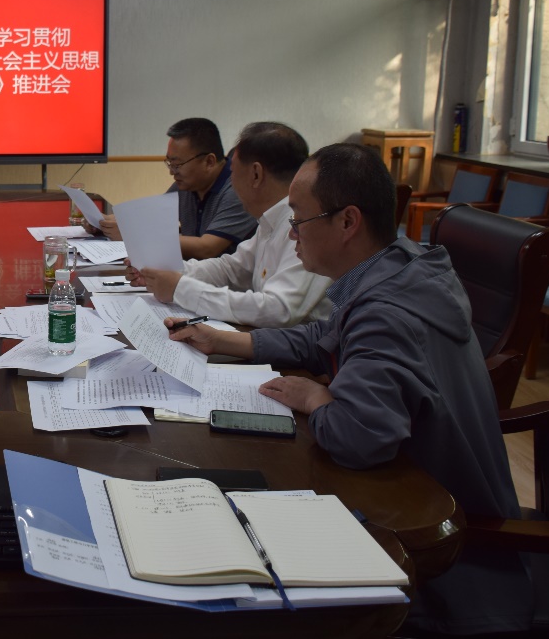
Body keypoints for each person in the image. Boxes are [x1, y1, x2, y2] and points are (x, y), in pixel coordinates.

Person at [168, 142, 528, 633]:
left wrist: (317, 398)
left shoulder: (387, 313)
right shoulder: (397, 265)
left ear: (347, 222)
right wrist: (230, 341)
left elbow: (357, 437)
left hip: (449, 554)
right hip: (413, 494)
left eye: (299, 219)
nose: (291, 233)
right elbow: (324, 337)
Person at [125, 122, 331, 327]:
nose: (230, 181)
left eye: (232, 172)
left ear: (256, 174)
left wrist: (180, 288)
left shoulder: (304, 225)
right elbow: (231, 269)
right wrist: (166, 272)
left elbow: (278, 310)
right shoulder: (272, 220)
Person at [95, 118, 256, 260]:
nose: (172, 172)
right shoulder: (188, 184)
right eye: (169, 163)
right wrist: (102, 222)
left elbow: (206, 248)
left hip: (224, 282)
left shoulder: (237, 190)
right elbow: (152, 215)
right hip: (193, 274)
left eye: (177, 164)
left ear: (209, 162)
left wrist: (133, 234)